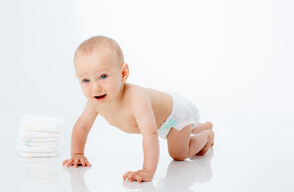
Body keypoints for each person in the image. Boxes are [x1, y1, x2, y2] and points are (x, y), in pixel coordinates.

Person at [62, 36, 214, 183]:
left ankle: (206, 135)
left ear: (123, 73)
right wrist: (77, 154)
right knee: (185, 132)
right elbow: (82, 126)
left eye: (103, 76)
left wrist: (147, 170)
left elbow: (150, 133)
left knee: (178, 154)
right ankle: (203, 126)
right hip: (160, 122)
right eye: (86, 80)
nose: (96, 88)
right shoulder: (94, 103)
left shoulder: (136, 99)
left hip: (175, 115)